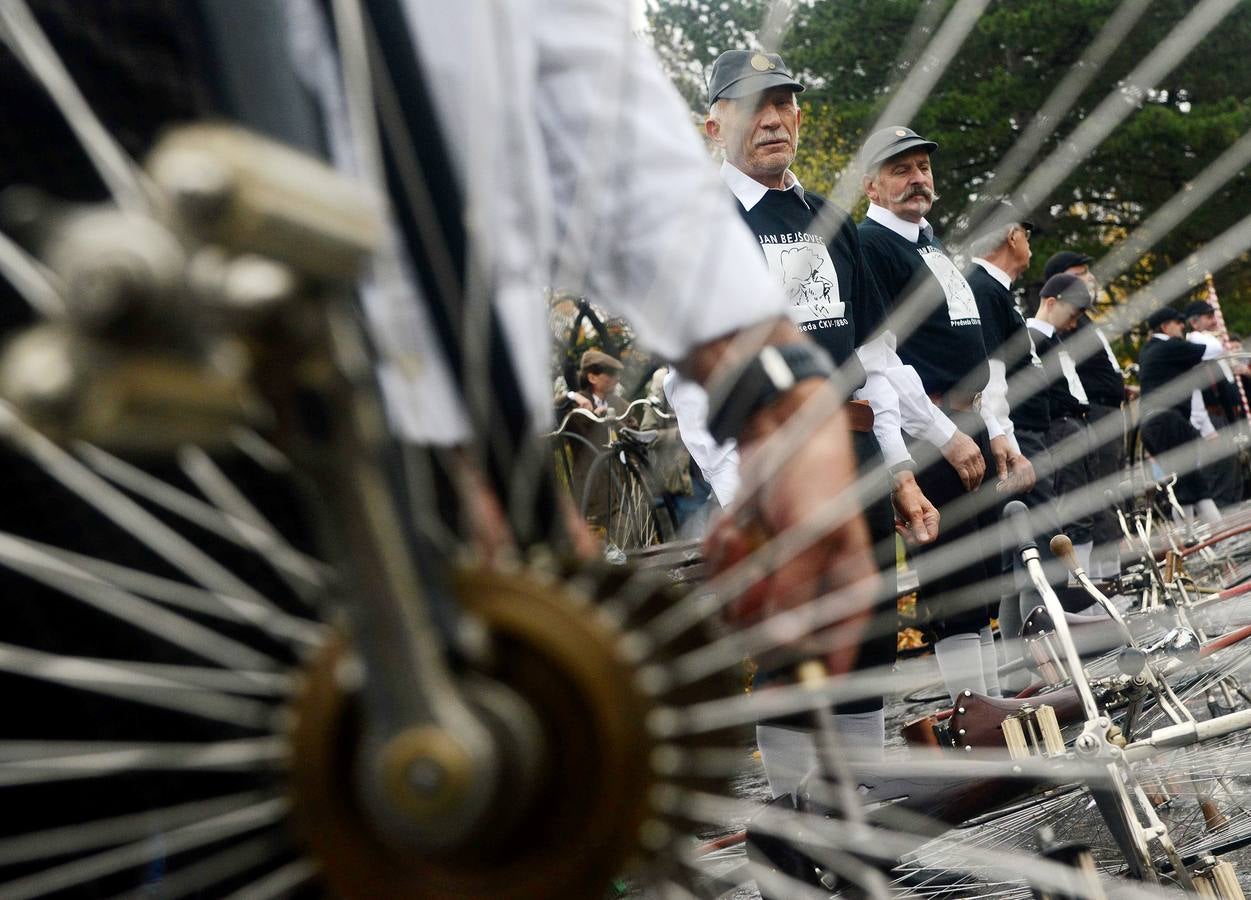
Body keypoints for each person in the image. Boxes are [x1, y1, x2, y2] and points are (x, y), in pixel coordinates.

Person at [668, 50, 940, 794]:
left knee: (867, 647)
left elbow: (873, 359)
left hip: (853, 463)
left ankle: (853, 823)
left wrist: (901, 474)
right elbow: (690, 386)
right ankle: (792, 834)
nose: (773, 118)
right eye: (753, 104)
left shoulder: (830, 220)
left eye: (784, 102)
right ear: (712, 123)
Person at [857, 126, 1032, 703]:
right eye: (900, 170)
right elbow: (879, 358)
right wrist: (948, 433)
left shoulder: (930, 246)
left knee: (980, 581)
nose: (917, 180)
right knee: (954, 585)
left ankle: (993, 711)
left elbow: (977, 349)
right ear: (871, 186)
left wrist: (996, 430)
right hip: (927, 431)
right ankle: (971, 719)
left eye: (923, 168)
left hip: (971, 423)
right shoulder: (871, 248)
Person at [965, 210, 1065, 682]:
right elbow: (987, 376)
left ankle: (1021, 674)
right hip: (1013, 432)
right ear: (1012, 235)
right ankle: (1032, 672)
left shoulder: (993, 290)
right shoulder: (983, 289)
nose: (1028, 243)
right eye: (1026, 232)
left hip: (1017, 430)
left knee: (1021, 558)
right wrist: (1003, 438)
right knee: (1031, 556)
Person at [1042, 250, 1129, 580]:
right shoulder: (1060, 324)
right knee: (1097, 496)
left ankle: (1110, 574)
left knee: (1110, 491)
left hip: (1105, 408)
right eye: (1080, 274)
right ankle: (1101, 580)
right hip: (1089, 413)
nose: (1089, 280)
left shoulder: (1082, 319)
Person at [1138, 307, 1223, 525]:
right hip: (1167, 422)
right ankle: (1211, 538)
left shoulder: (1149, 350)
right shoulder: (1169, 346)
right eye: (1178, 323)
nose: (1182, 327)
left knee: (1183, 482)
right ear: (1165, 327)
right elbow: (1214, 349)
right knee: (1189, 482)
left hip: (1154, 424)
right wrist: (1200, 335)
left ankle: (1194, 540)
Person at [1185, 300, 1244, 509]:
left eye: (1213, 316)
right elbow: (1213, 348)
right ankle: (1222, 511)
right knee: (1220, 466)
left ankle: (1233, 507)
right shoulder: (1196, 343)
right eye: (1208, 317)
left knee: (1232, 465)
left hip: (1225, 413)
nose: (1213, 321)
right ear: (1194, 322)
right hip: (1210, 414)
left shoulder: (1213, 344)